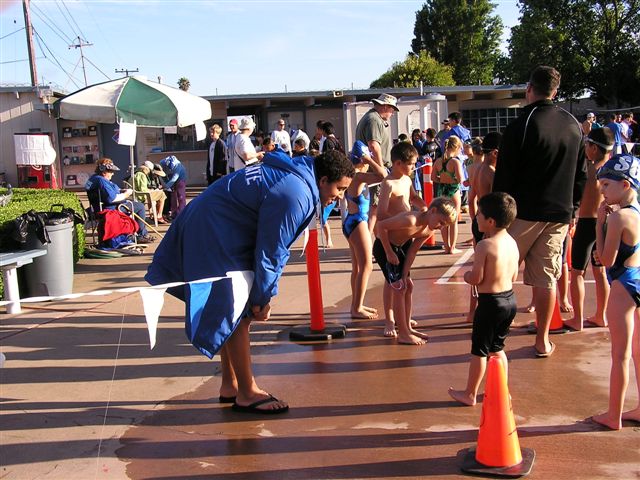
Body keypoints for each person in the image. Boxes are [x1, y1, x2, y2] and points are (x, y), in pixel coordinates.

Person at [145, 149, 355, 414]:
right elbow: (271, 251)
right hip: (212, 228)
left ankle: (230, 384)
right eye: (339, 189)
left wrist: (261, 295)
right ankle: (247, 391)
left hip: (210, 221)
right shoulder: (296, 193)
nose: (340, 196)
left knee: (231, 309)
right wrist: (262, 299)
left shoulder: (296, 178)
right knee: (238, 311)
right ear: (323, 180)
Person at [492, 65, 587, 358]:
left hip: (522, 214)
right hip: (559, 214)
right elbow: (581, 175)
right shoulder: (573, 124)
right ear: (555, 92)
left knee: (501, 275)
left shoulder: (522, 125)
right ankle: (542, 340)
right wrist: (573, 211)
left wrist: (496, 217)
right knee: (547, 279)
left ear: (529, 89)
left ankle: (495, 340)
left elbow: (504, 177)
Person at [448, 192, 519, 406]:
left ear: (490, 221)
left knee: (479, 350)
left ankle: (470, 394)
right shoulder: (512, 242)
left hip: (490, 304)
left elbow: (476, 278)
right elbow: (514, 276)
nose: (475, 216)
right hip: (509, 301)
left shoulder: (484, 246)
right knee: (497, 348)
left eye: (479, 214)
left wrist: (467, 276)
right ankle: (502, 390)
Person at [591, 153, 640, 430]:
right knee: (638, 352)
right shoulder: (637, 211)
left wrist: (600, 224)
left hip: (623, 285)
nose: (602, 191)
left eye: (607, 185)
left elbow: (605, 260)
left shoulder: (619, 217)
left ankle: (613, 415)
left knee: (620, 355)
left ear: (625, 184)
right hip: (638, 277)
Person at [375, 197, 457, 345]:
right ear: (432, 211)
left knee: (408, 285)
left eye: (444, 225)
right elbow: (381, 226)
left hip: (401, 248)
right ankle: (403, 333)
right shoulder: (411, 219)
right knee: (398, 288)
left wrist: (405, 274)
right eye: (441, 222)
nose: (441, 227)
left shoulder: (428, 230)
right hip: (384, 246)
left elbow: (412, 251)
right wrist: (389, 252)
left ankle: (407, 327)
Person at [376, 142, 429, 337]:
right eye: (411, 164)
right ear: (398, 163)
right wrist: (400, 220)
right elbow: (381, 214)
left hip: (404, 237)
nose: (414, 167)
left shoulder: (406, 179)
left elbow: (413, 197)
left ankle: (403, 316)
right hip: (390, 237)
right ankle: (389, 319)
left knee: (403, 280)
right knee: (391, 282)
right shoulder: (388, 183)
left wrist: (424, 206)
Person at [565, 127, 615, 331]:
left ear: (594, 148)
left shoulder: (588, 169)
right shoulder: (611, 171)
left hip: (587, 224)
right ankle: (601, 315)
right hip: (604, 223)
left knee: (577, 272)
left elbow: (573, 194)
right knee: (600, 271)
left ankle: (577, 319)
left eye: (587, 144)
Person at [343, 141, 387, 319]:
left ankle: (357, 304)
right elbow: (383, 175)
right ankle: (356, 308)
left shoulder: (354, 174)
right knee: (367, 266)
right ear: (362, 159)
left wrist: (369, 158)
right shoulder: (358, 176)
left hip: (352, 221)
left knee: (357, 268)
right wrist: (371, 158)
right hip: (357, 222)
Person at [355, 93, 398, 235]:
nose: (392, 113)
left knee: (373, 208)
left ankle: (374, 240)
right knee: (375, 209)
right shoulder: (374, 120)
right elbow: (374, 145)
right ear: (385, 106)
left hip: (370, 168)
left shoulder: (371, 117)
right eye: (392, 109)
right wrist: (380, 168)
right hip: (374, 169)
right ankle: (366, 241)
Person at [85, 157, 155, 243]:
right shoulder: (101, 180)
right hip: (110, 208)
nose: (113, 174)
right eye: (111, 171)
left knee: (134, 204)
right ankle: (142, 235)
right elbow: (111, 198)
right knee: (140, 206)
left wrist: (121, 191)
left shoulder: (93, 178)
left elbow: (109, 192)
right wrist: (126, 194)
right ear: (104, 171)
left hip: (98, 208)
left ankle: (138, 233)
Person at [431, 136, 464, 254]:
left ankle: (446, 246)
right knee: (453, 220)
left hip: (442, 190)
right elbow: (460, 179)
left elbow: (433, 177)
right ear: (456, 148)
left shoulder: (438, 161)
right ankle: (452, 248)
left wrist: (442, 180)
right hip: (453, 190)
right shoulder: (455, 162)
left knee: (443, 220)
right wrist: (452, 180)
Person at [160, 155, 188, 220]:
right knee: (172, 195)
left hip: (181, 178)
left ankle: (181, 213)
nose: (170, 169)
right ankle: (174, 213)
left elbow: (174, 178)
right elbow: (163, 175)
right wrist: (167, 184)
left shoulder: (177, 165)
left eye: (171, 168)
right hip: (170, 177)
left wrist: (166, 186)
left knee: (181, 196)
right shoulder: (162, 163)